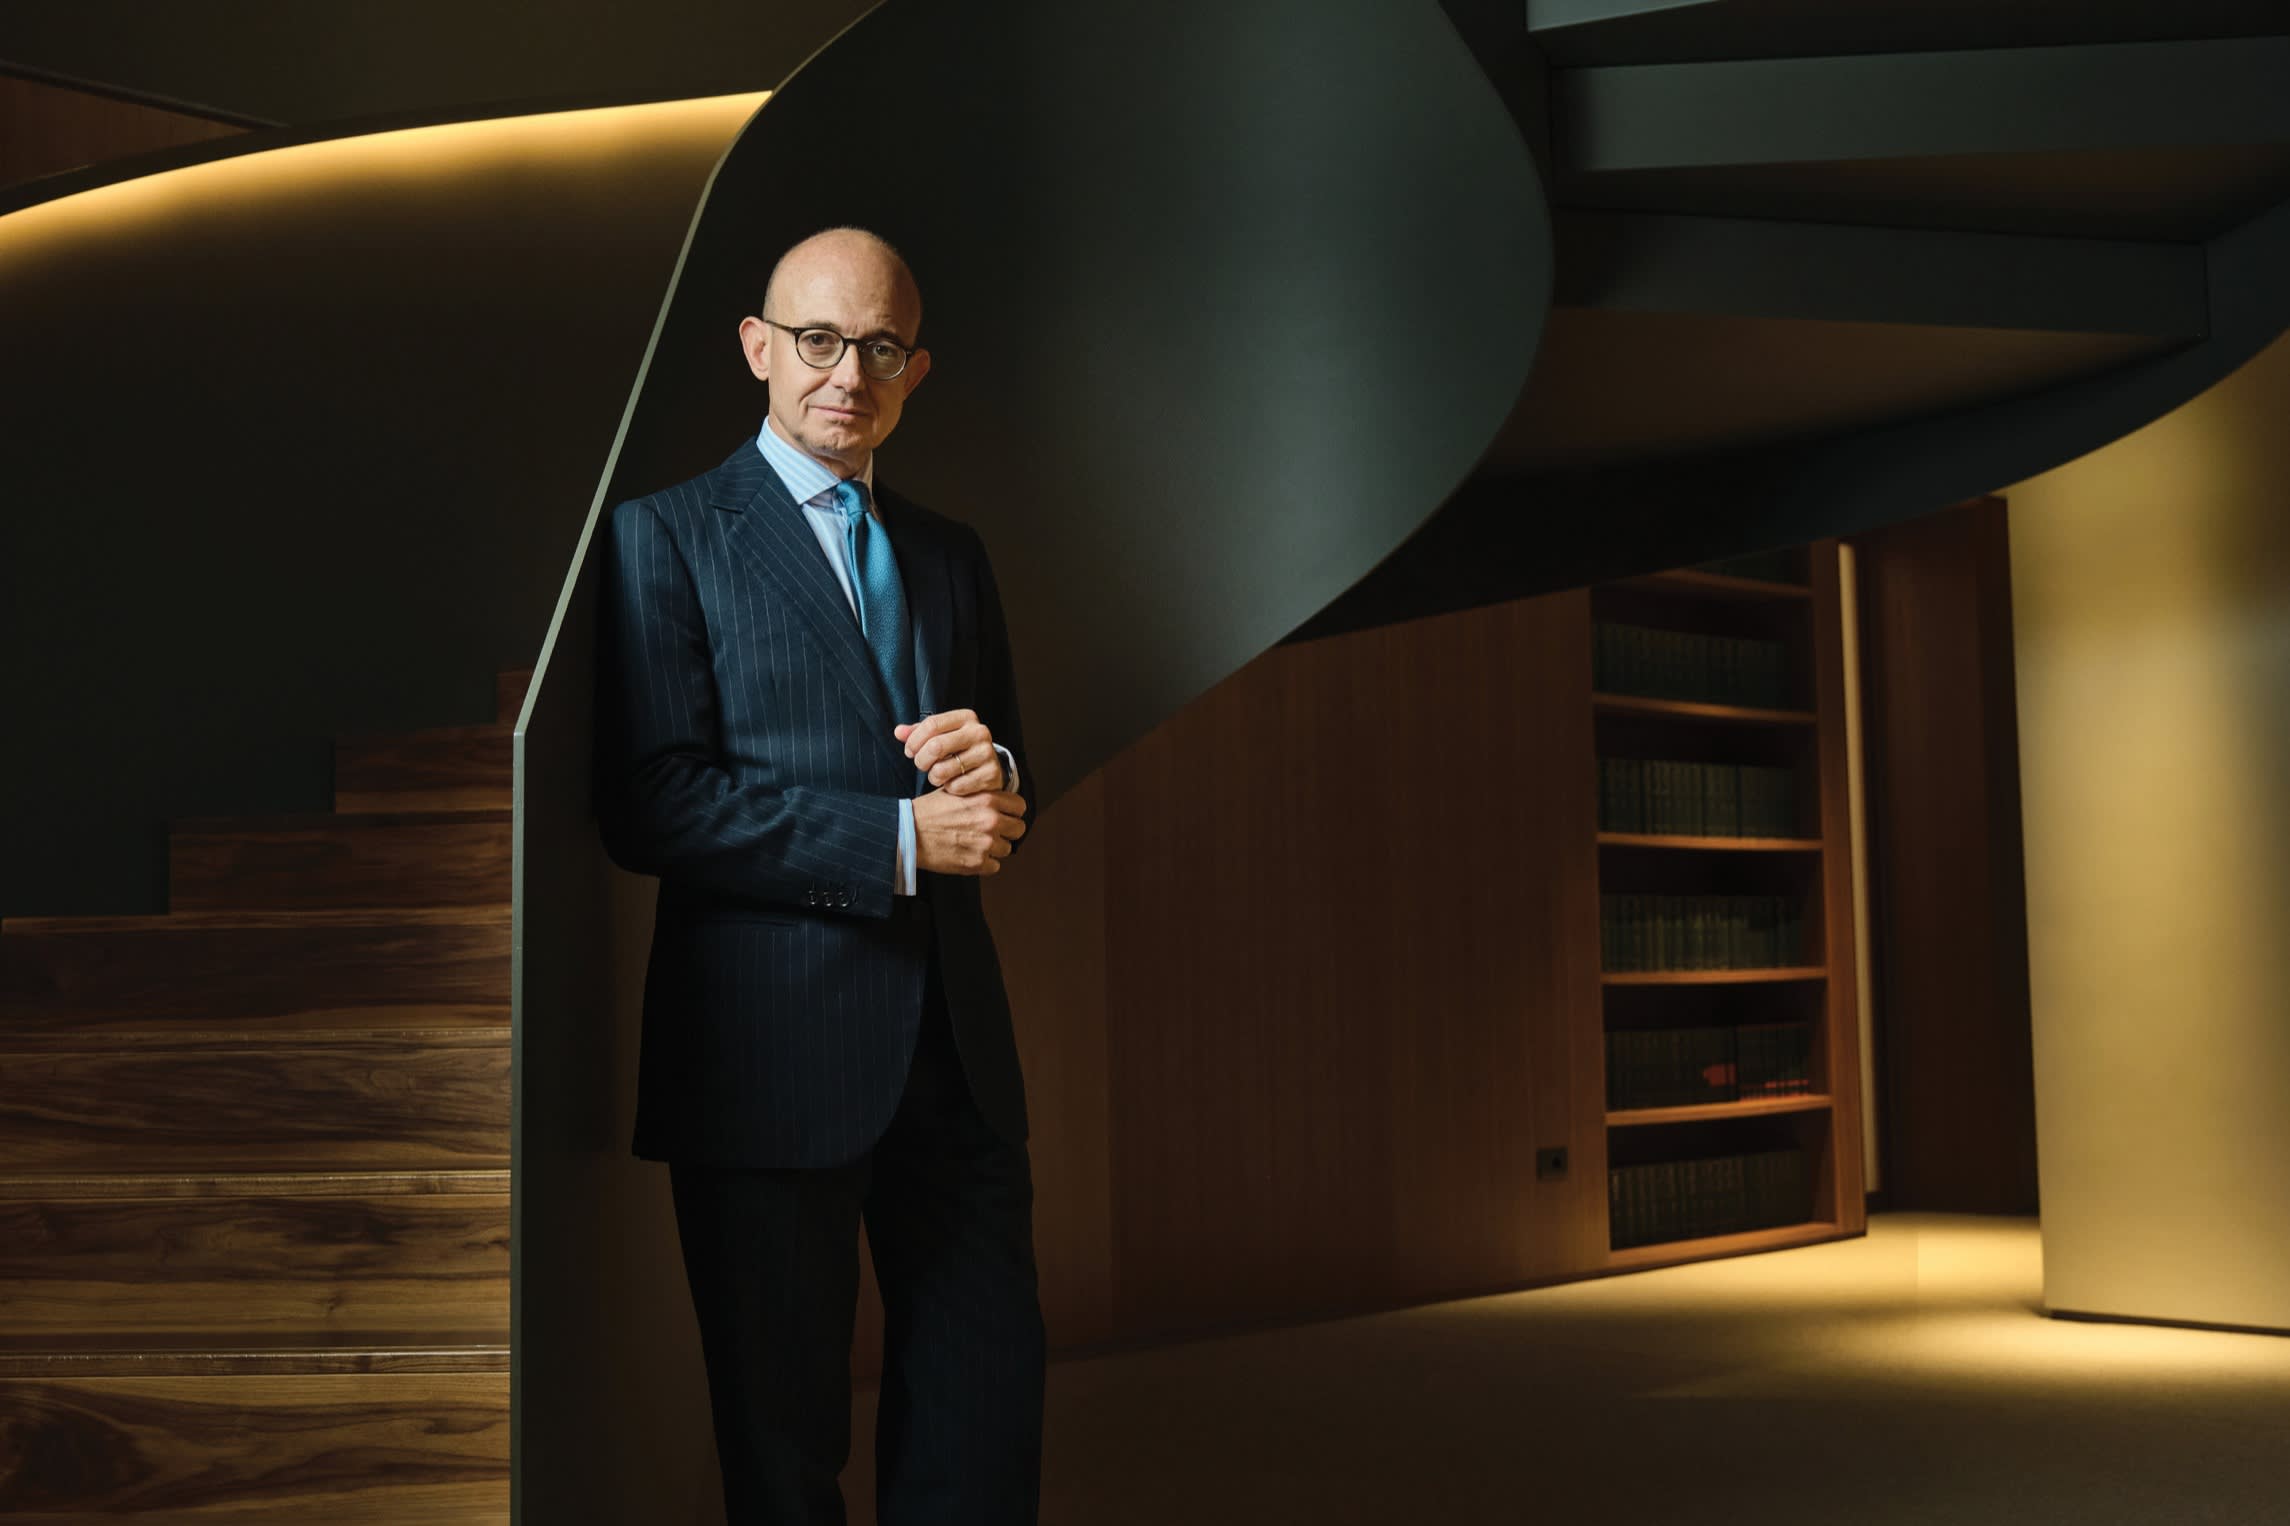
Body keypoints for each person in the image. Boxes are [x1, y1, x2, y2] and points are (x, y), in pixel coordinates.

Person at [592, 225, 1045, 1523]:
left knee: (983, 1415)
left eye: (880, 347)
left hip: (954, 1052)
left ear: (915, 370)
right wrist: (900, 840)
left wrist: (993, 771)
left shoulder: (952, 551)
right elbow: (652, 799)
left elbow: (1010, 773)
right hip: (765, 1055)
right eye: (818, 340)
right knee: (782, 1452)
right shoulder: (664, 537)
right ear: (758, 348)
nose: (848, 372)